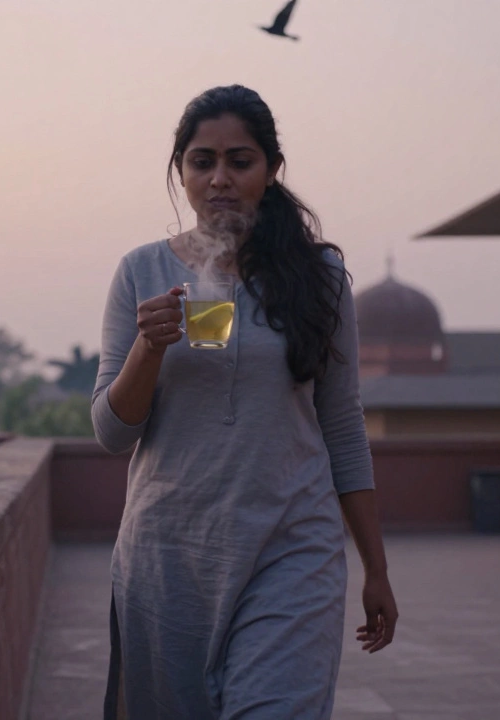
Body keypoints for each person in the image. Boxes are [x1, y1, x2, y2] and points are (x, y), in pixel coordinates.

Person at [91, 85, 398, 719]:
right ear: (181, 172)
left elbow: (342, 426)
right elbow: (112, 434)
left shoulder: (319, 280)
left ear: (271, 170)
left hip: (292, 546)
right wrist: (148, 349)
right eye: (203, 162)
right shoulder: (142, 273)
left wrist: (376, 567)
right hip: (169, 554)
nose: (221, 179)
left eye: (241, 160)